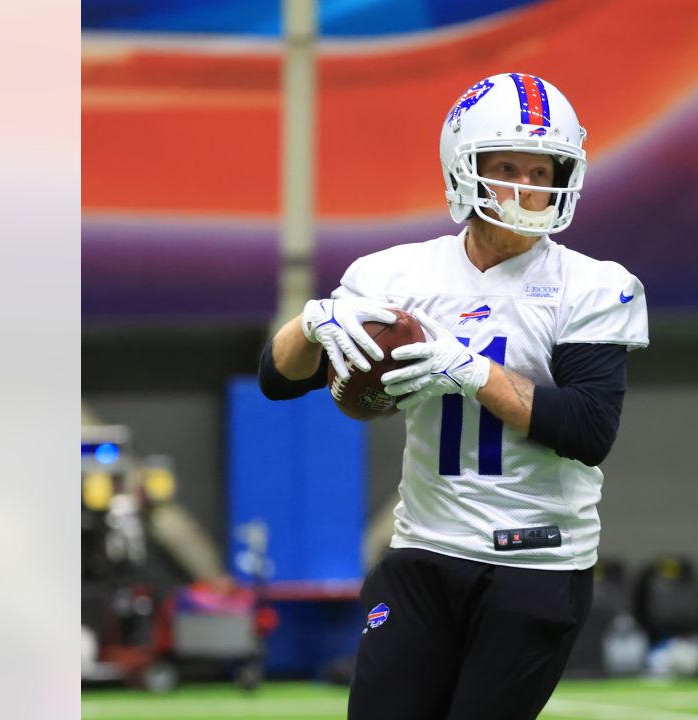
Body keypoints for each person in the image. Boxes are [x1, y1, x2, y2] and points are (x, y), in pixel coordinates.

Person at [258, 72, 648, 720]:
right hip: (425, 554)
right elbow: (277, 380)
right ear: (464, 168)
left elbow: (589, 428)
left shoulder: (593, 286)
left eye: (542, 168)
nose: (528, 186)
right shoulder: (396, 275)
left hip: (535, 561)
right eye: (507, 166)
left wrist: (470, 372)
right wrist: (311, 322)